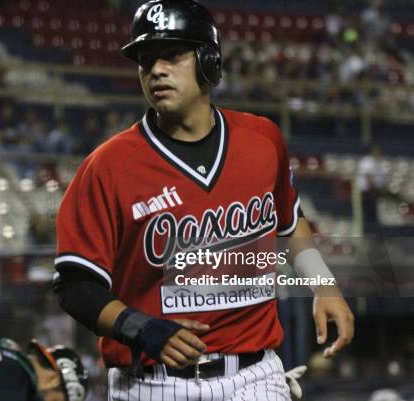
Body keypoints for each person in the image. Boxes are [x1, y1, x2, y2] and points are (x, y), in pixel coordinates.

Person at [52, 1, 354, 400]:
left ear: (209, 61)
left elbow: (288, 220)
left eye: (173, 55)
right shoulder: (107, 167)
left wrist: (323, 284)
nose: (157, 70)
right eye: (146, 60)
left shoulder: (262, 140)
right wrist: (137, 326)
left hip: (254, 377)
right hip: (151, 382)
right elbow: (76, 286)